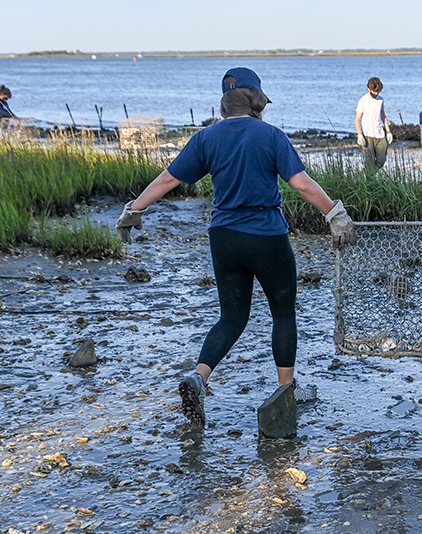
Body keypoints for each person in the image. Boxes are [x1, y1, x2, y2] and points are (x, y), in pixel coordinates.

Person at [116, 67, 357, 427]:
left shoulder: (206, 138)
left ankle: (198, 378)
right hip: (266, 235)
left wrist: (134, 209)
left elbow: (168, 178)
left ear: (225, 101)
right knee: (283, 313)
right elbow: (302, 184)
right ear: (257, 99)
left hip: (224, 237)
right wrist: (335, 213)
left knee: (231, 317)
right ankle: (286, 390)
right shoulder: (271, 136)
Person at [354, 77, 392, 171]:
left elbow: (383, 116)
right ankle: (369, 180)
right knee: (369, 162)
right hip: (368, 135)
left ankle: (369, 173)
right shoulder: (363, 101)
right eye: (374, 91)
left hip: (380, 134)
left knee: (381, 160)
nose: (376, 93)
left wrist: (388, 131)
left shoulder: (380, 100)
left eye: (378, 92)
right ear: (369, 89)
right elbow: (357, 119)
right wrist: (360, 135)